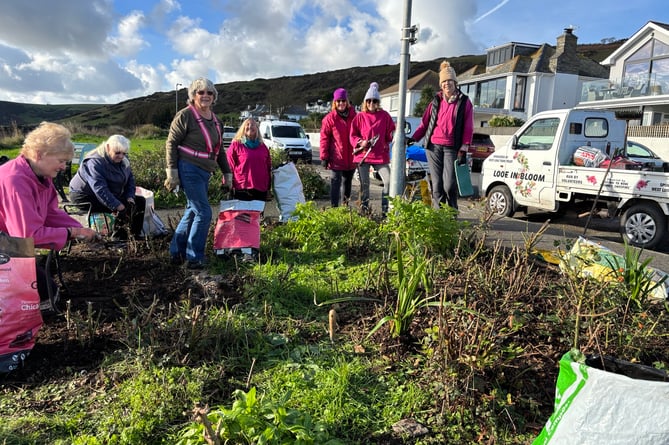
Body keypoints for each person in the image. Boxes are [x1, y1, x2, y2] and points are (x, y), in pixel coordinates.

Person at [0, 122, 99, 302]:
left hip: (8, 242)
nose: (63, 167)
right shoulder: (15, 181)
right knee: (47, 296)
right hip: (8, 245)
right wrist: (73, 232)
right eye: (60, 161)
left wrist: (81, 230)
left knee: (48, 291)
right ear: (39, 155)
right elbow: (26, 237)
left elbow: (51, 214)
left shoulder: (41, 176)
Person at [164, 77, 232, 269]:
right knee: (203, 212)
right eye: (200, 92)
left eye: (209, 93)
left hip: (205, 171)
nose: (205, 96)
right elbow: (171, 143)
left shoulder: (217, 121)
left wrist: (227, 174)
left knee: (193, 212)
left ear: (214, 97)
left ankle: (176, 253)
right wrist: (172, 172)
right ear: (193, 95)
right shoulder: (185, 115)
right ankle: (194, 258)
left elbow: (219, 151)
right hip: (188, 168)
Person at [409, 61, 474, 210]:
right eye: (444, 81)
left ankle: (451, 215)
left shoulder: (464, 102)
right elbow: (424, 123)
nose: (447, 84)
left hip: (452, 147)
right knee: (437, 185)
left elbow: (468, 126)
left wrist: (464, 147)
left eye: (449, 81)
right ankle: (439, 217)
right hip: (433, 147)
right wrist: (413, 138)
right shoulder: (436, 101)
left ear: (455, 82)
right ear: (441, 84)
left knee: (449, 184)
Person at [68, 135, 145, 239]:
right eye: (117, 153)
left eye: (124, 153)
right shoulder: (94, 162)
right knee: (121, 207)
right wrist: (117, 205)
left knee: (139, 202)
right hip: (84, 195)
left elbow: (130, 180)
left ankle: (134, 236)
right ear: (108, 148)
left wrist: (130, 197)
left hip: (107, 192)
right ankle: (119, 238)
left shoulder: (123, 160)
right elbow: (100, 189)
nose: (121, 156)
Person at [350, 82, 395, 215]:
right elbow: (352, 135)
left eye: (374, 100)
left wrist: (394, 132)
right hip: (363, 156)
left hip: (380, 156)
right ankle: (363, 212)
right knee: (365, 185)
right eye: (368, 100)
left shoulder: (385, 116)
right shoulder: (359, 117)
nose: (371, 103)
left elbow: (389, 136)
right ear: (365, 102)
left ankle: (386, 211)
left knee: (389, 181)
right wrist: (360, 142)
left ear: (378, 102)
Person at [320, 88, 357, 207]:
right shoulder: (329, 119)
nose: (341, 103)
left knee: (347, 182)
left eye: (343, 100)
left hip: (351, 157)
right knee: (335, 182)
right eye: (338, 101)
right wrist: (324, 156)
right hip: (336, 157)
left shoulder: (355, 116)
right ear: (334, 103)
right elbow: (324, 138)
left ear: (347, 101)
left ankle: (345, 207)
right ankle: (334, 208)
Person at [226, 118, 272, 201]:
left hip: (261, 188)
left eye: (253, 124)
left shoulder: (263, 147)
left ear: (257, 129)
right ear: (243, 128)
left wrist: (269, 187)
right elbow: (229, 166)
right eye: (247, 124)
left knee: (258, 214)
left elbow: (268, 168)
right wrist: (227, 185)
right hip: (242, 187)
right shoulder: (236, 145)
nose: (250, 126)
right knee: (243, 214)